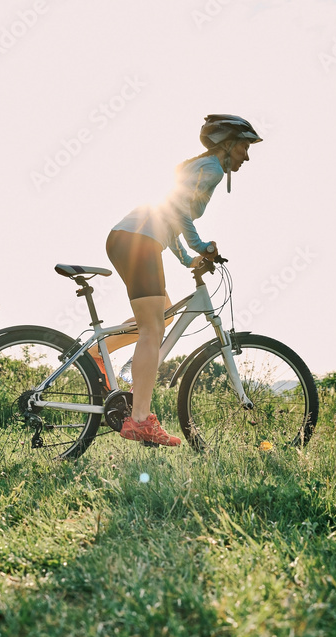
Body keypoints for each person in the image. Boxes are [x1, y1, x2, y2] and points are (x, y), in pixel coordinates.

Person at [90, 114, 262, 447]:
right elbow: (177, 211)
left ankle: (101, 353)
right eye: (244, 147)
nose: (247, 155)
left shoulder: (202, 168)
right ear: (227, 145)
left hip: (130, 238)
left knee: (162, 314)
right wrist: (201, 246)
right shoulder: (212, 169)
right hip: (138, 240)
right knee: (154, 329)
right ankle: (139, 420)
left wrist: (187, 258)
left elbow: (167, 218)